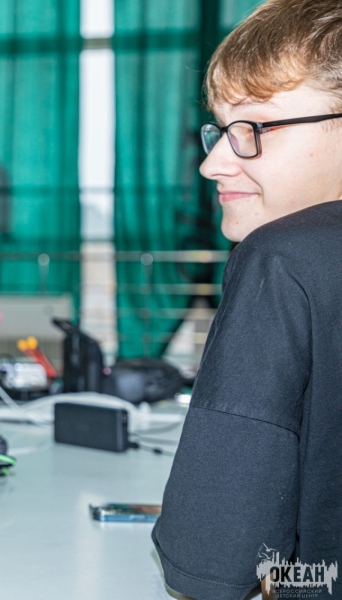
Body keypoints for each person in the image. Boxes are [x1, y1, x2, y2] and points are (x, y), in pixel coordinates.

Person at [152, 1, 342, 598]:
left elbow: (212, 557)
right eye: (220, 129)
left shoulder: (282, 258)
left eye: (255, 128)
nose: (212, 164)